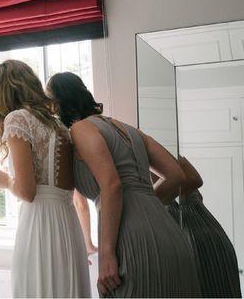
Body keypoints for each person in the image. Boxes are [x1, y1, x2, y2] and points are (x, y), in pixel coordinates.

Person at [47, 71, 201, 297]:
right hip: (170, 234)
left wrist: (107, 254)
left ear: (58, 103)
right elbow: (177, 175)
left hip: (129, 235)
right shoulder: (130, 129)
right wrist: (146, 205)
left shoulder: (81, 129)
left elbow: (112, 185)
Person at [0, 60, 91, 297]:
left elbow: (27, 192)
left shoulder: (17, 119)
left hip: (39, 224)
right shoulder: (59, 124)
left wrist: (5, 181)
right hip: (67, 221)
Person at [166, 156, 242, 298]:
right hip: (207, 234)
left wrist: (147, 199)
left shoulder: (147, 151)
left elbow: (194, 179)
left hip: (198, 239)